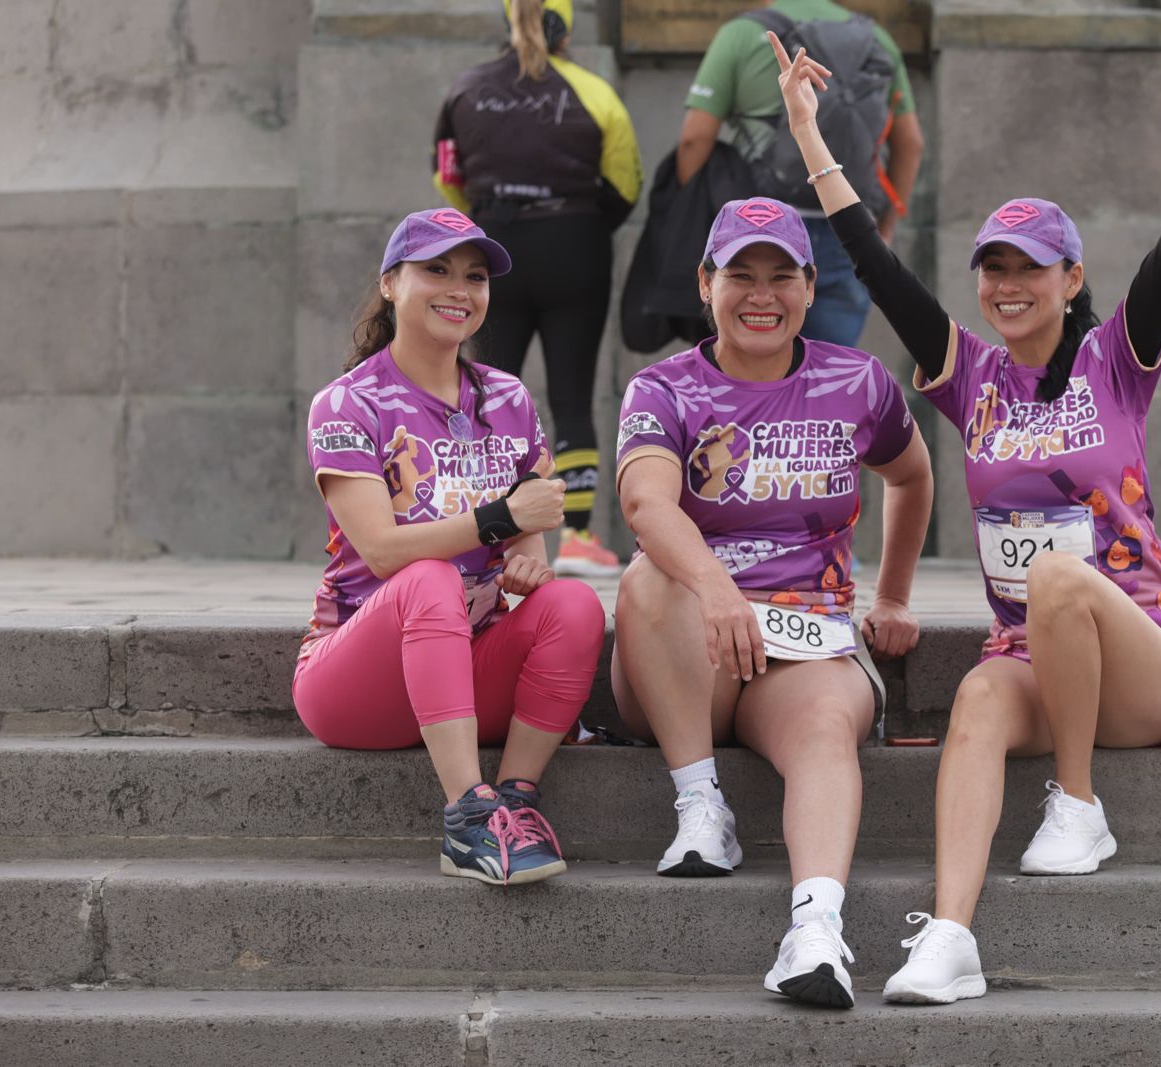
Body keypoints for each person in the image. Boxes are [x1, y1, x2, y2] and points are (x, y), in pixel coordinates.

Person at [772, 28, 1161, 1002]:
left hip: (1144, 659)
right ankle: (951, 937)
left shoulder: (1116, 356)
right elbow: (871, 259)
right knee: (978, 697)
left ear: (1071, 280)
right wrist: (807, 132)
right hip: (1032, 659)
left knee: (1058, 577)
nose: (1006, 285)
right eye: (992, 268)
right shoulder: (968, 375)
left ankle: (1078, 802)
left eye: (1029, 267)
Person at [611, 196, 934, 1008]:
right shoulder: (662, 387)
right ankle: (701, 807)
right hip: (688, 648)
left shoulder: (856, 379)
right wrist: (716, 588)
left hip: (803, 643)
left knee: (825, 724)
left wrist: (894, 594)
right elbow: (646, 504)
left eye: (781, 276)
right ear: (705, 283)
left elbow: (912, 474)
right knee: (647, 576)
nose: (762, 295)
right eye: (740, 275)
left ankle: (816, 929)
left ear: (810, 285)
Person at [295, 207, 606, 887]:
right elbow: (382, 551)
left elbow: (530, 532)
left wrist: (528, 564)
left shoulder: (508, 397)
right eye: (436, 270)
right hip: (355, 685)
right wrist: (499, 517)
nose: (458, 289)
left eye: (475, 276)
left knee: (576, 605)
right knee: (429, 576)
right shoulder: (347, 403)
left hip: (465, 670)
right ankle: (468, 815)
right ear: (390, 283)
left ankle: (514, 802)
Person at [433, 0, 642, 577]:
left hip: (492, 247)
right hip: (575, 244)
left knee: (482, 394)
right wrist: (582, 222)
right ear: (567, 31)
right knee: (573, 394)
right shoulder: (594, 92)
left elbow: (447, 176)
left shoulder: (465, 90)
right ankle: (576, 536)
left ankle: (482, 527)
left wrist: (485, 218)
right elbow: (626, 182)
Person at [676, 0, 924, 348]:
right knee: (831, 364)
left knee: (750, 359)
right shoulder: (878, 39)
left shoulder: (742, 35)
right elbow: (910, 144)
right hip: (847, 229)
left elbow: (694, 139)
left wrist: (692, 222)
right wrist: (881, 232)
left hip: (754, 232)